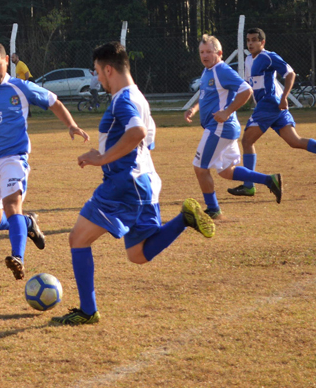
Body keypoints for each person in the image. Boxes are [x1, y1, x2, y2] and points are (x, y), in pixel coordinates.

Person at [52, 42, 215, 326]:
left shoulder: (121, 100)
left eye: (97, 73)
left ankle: (88, 311)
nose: (97, 79)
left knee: (78, 238)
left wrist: (102, 159)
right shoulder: (139, 97)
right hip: (146, 181)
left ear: (108, 69)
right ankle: (184, 218)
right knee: (138, 254)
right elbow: (147, 137)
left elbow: (138, 133)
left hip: (124, 184)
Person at [0, 42, 89, 281]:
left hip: (15, 158)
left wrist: (71, 125)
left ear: (7, 62)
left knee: (12, 205)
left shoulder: (20, 87)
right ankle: (27, 223)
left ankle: (18, 258)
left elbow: (53, 101)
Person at [227, 27, 316, 196]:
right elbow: (249, 85)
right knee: (294, 141)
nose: (250, 43)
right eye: (248, 40)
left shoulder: (269, 56)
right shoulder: (248, 60)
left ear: (262, 42)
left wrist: (284, 97)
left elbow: (290, 74)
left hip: (269, 104)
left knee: (247, 142)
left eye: (254, 40)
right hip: (271, 106)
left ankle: (248, 185)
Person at [184, 34, 282, 218]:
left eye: (208, 52)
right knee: (226, 171)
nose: (204, 55)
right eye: (201, 52)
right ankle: (269, 180)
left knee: (200, 168)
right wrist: (194, 109)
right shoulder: (208, 71)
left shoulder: (221, 70)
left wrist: (227, 112)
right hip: (223, 128)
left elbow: (246, 90)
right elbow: (205, 95)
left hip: (219, 128)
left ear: (219, 53)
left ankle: (213, 210)